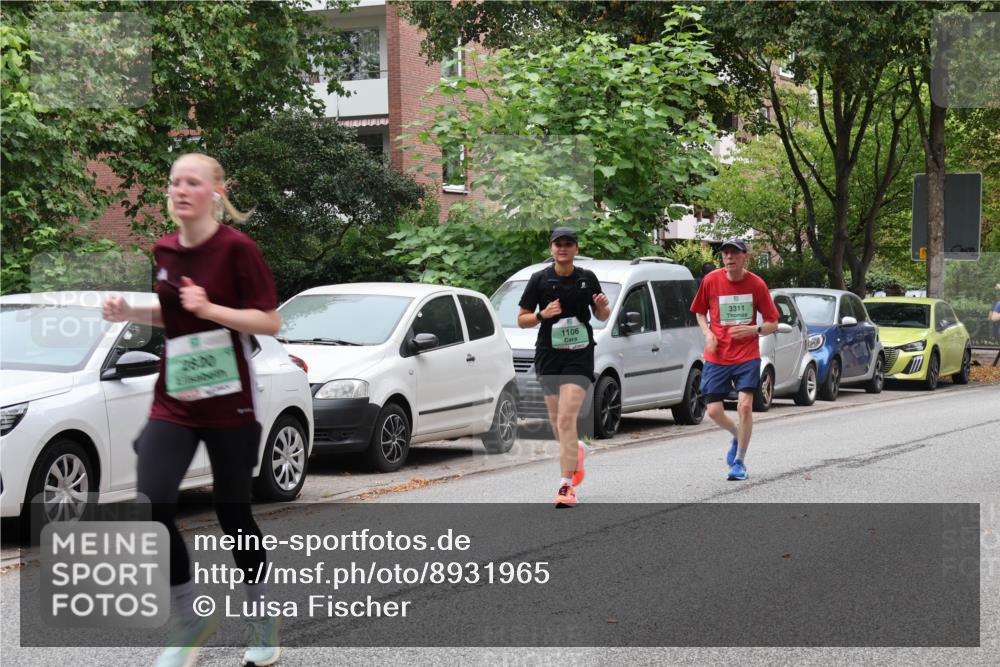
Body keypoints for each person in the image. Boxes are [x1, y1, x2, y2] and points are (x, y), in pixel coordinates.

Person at [103, 153, 282, 667]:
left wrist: (211, 311)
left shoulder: (237, 250)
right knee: (153, 502)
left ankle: (260, 620)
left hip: (231, 401)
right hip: (175, 396)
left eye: (193, 182)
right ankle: (190, 620)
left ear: (216, 193)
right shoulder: (164, 249)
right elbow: (173, 309)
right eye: (174, 182)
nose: (180, 190)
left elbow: (268, 321)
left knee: (233, 513)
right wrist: (131, 309)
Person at [518, 227, 610, 507]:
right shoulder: (539, 279)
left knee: (566, 420)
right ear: (551, 249)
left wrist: (603, 306)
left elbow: (602, 315)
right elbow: (522, 319)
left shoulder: (587, 278)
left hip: (579, 355)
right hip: (549, 353)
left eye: (568, 244)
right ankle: (576, 450)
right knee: (557, 423)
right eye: (558, 244)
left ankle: (566, 486)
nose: (563, 248)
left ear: (576, 249)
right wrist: (541, 315)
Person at [689, 238, 779, 481]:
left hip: (746, 355)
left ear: (744, 257)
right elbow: (699, 312)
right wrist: (708, 334)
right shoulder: (711, 280)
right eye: (725, 254)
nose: (729, 258)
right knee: (714, 411)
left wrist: (754, 330)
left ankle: (739, 462)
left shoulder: (756, 284)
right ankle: (737, 433)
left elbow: (773, 322)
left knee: (745, 405)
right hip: (717, 355)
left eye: (734, 254)